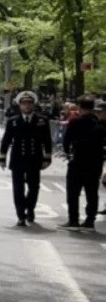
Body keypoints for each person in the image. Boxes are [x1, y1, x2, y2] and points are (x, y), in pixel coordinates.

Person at [0, 91, 52, 227]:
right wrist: (2, 157)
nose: (27, 106)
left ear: (33, 105)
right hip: (18, 158)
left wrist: (47, 158)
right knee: (18, 189)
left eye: (29, 103)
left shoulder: (41, 120)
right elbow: (6, 140)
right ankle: (20, 215)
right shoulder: (13, 121)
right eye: (24, 103)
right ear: (20, 105)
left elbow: (47, 140)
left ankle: (30, 208)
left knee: (34, 188)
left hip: (35, 158)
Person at [59, 96, 105, 231]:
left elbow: (66, 141)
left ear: (79, 107)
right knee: (92, 193)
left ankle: (73, 220)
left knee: (73, 192)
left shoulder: (75, 122)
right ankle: (90, 221)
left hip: (78, 160)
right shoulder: (99, 123)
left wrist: (68, 153)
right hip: (95, 162)